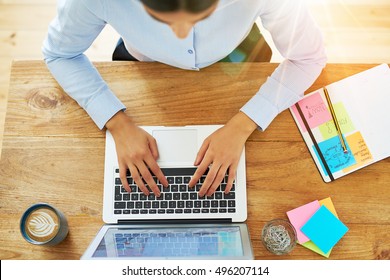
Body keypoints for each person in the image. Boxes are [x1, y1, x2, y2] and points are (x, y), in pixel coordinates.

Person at [42, 0, 326, 198]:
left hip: (240, 61)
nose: (180, 32)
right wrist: (116, 122)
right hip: (144, 66)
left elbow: (308, 58)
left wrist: (244, 124)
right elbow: (59, 53)